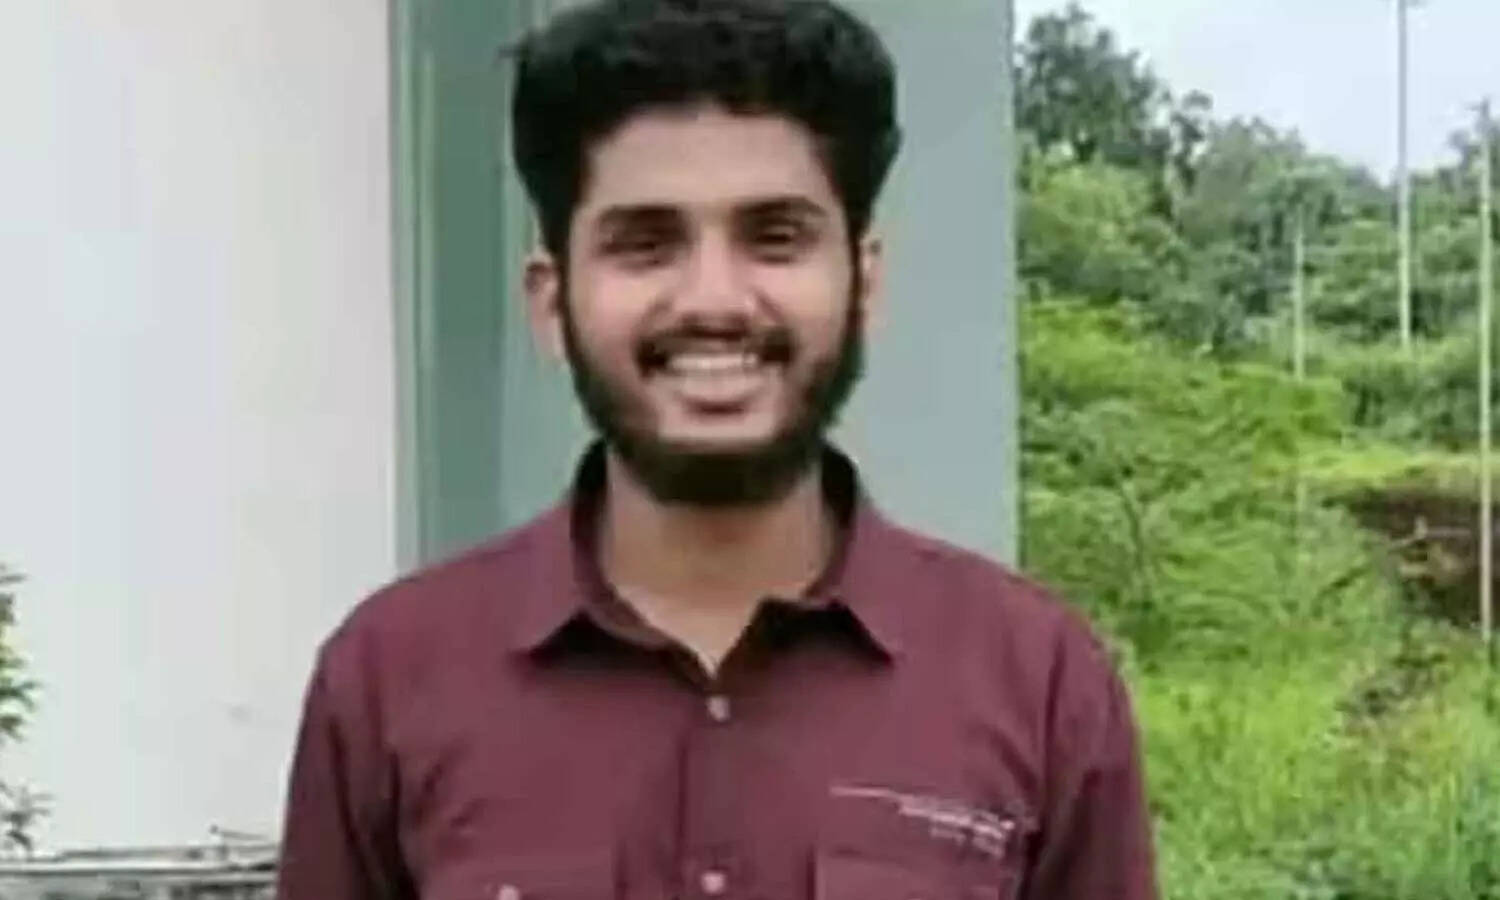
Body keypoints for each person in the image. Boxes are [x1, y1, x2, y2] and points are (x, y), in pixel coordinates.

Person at [274, 1, 1157, 898]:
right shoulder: (388, 682)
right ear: (550, 300)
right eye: (644, 244)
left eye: (775, 238)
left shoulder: (1040, 685)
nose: (714, 301)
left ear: (864, 284)